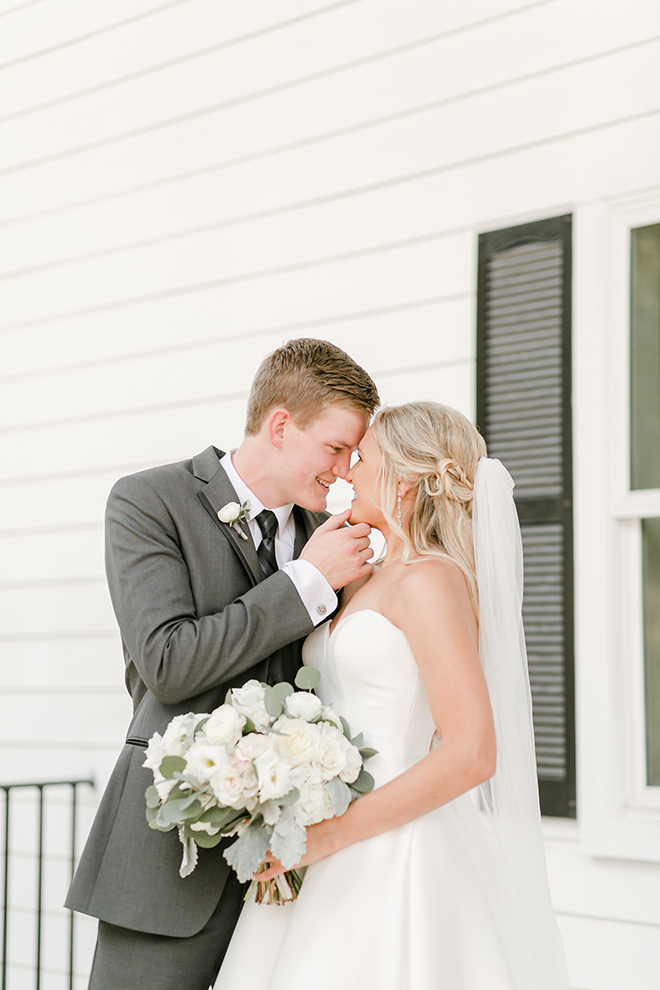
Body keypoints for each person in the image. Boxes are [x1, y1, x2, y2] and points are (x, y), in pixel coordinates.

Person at [216, 401, 570, 990]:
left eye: (364, 459)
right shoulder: (364, 575)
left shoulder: (432, 580)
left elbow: (472, 751)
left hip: (395, 847)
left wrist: (324, 837)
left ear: (402, 481)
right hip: (319, 833)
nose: (347, 473)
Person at [65, 338, 380, 990]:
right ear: (281, 425)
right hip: (169, 858)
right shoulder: (149, 502)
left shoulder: (335, 536)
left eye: (354, 454)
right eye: (336, 448)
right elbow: (169, 662)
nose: (345, 469)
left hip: (299, 873)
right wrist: (303, 584)